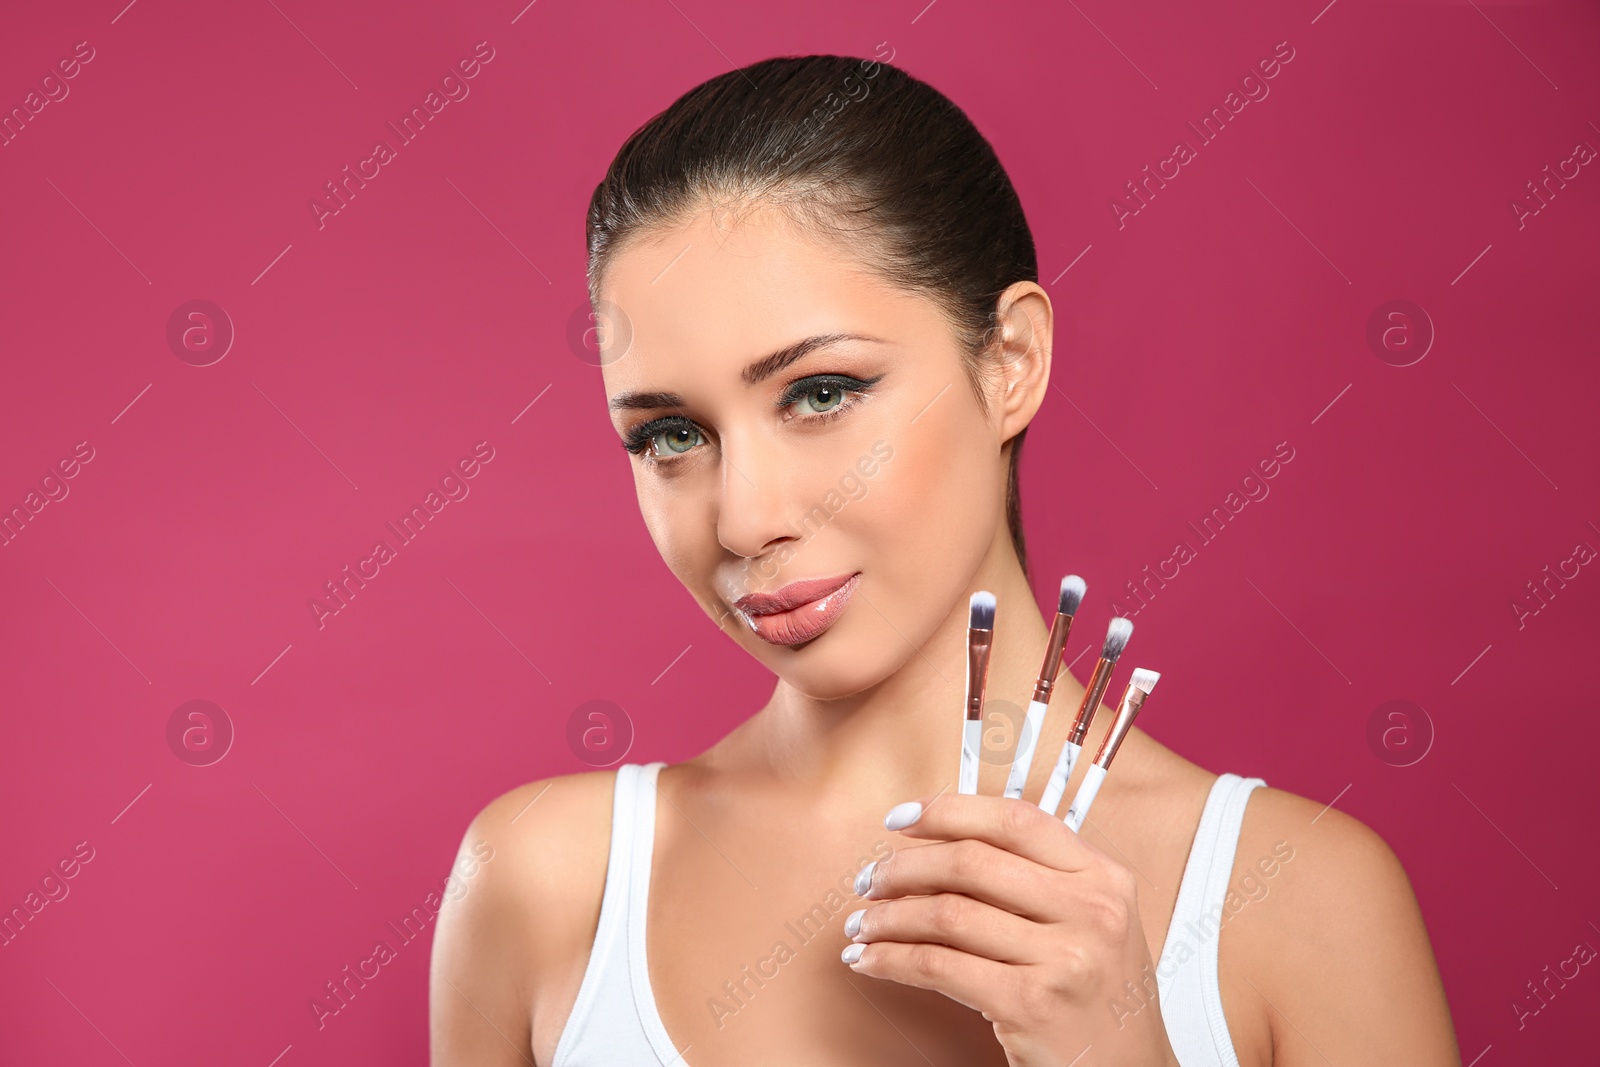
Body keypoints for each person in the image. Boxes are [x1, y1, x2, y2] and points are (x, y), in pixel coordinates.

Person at [429, 53, 1460, 1066]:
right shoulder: (545, 882)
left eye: (821, 392)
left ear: (1009, 363)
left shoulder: (1294, 903)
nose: (745, 519)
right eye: (670, 435)